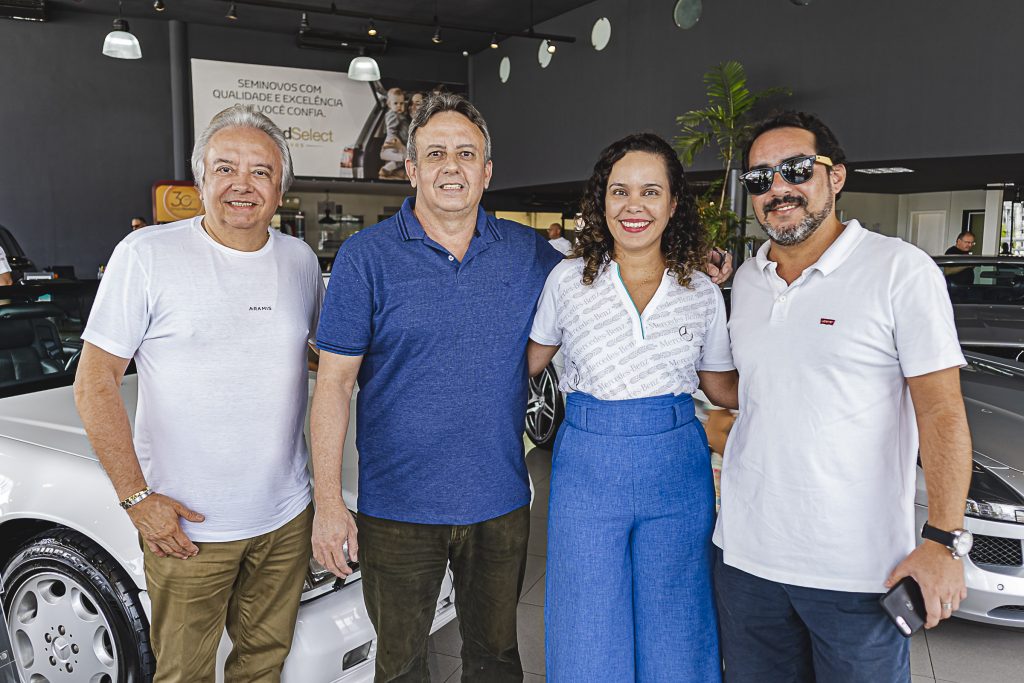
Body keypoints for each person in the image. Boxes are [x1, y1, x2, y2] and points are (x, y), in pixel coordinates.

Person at [311, 93, 735, 682]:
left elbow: (612, 265)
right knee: (401, 666)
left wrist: (703, 262)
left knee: (496, 660)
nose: (451, 167)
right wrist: (329, 505)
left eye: (467, 153)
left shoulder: (530, 253)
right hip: (398, 506)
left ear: (487, 171)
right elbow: (332, 384)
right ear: (411, 168)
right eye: (436, 154)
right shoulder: (366, 257)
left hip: (499, 499)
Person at [714, 111, 972, 682]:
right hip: (747, 563)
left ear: (836, 177)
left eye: (796, 170)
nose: (777, 188)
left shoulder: (899, 270)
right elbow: (752, 393)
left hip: (859, 574)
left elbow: (942, 413)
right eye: (760, 179)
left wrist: (943, 542)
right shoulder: (749, 281)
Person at [74, 104, 323, 683]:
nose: (243, 184)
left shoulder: (300, 260)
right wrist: (138, 500)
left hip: (284, 517)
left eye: (261, 171)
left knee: (263, 664)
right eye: (225, 168)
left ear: (281, 186)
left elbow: (314, 357)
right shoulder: (147, 256)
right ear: (200, 180)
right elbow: (95, 382)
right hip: (186, 527)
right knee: (183, 674)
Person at [527, 133, 738, 682]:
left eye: (650, 192)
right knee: (586, 616)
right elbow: (525, 363)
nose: (633, 206)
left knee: (679, 612)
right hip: (588, 466)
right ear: (602, 202)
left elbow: (719, 385)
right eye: (619, 191)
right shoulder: (568, 280)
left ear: (672, 204)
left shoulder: (700, 289)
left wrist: (800, 387)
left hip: (676, 466)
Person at [379, 87, 409, 180]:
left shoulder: (399, 115)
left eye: (401, 103)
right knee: (402, 159)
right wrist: (395, 141)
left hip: (396, 140)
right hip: (394, 140)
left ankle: (387, 168)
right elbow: (391, 130)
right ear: (389, 104)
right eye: (395, 103)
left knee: (401, 159)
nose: (399, 106)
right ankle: (386, 169)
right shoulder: (393, 115)